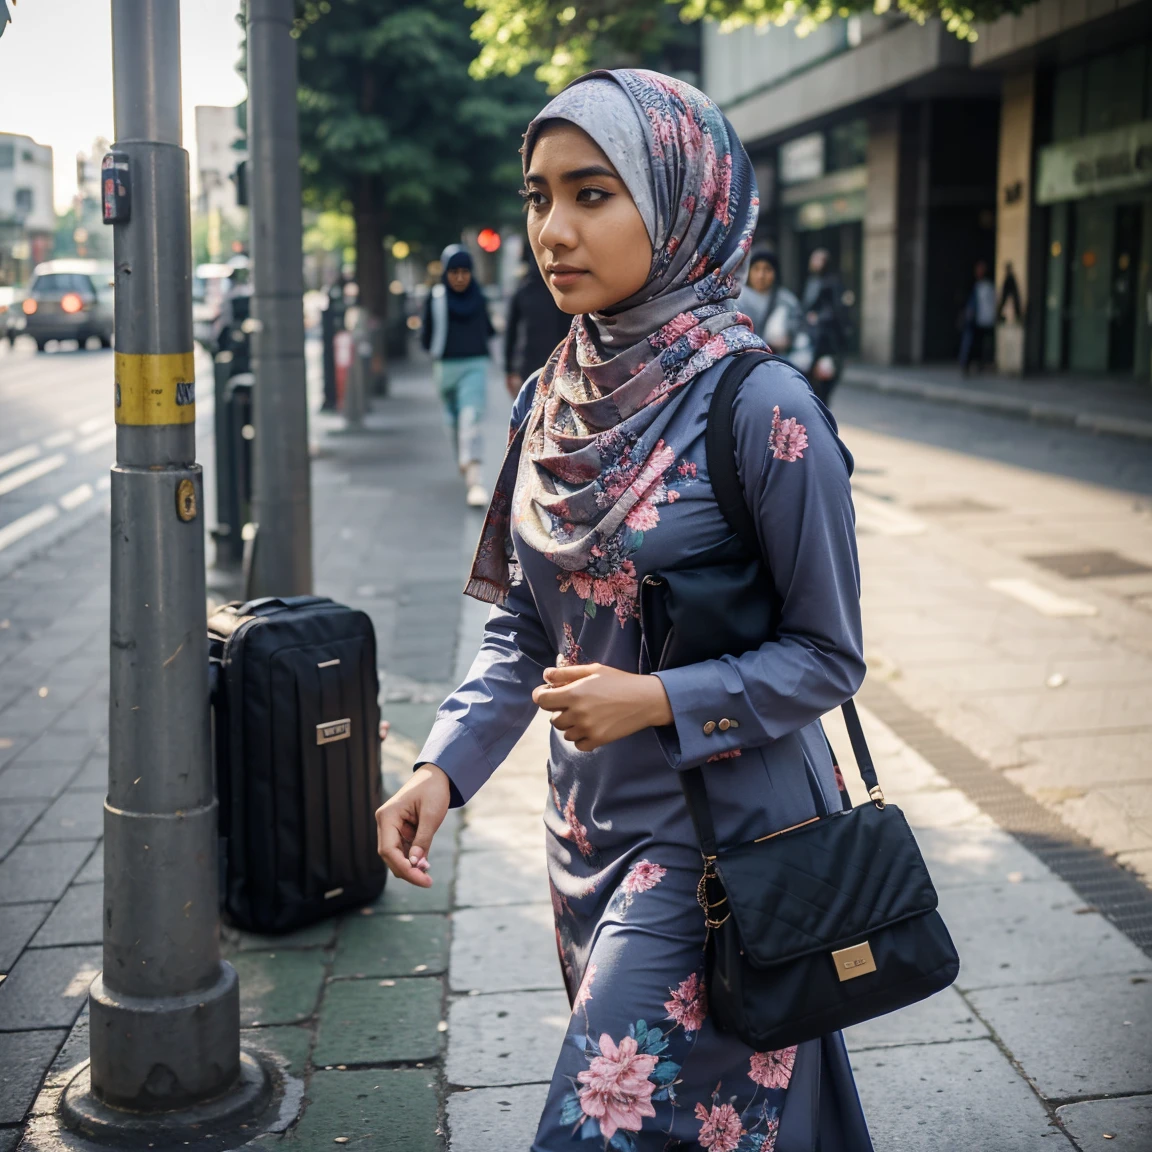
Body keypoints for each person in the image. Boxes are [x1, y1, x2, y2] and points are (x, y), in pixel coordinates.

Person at [378, 69, 873, 1151]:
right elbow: (521, 629)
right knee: (739, 1108)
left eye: (592, 193)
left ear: (682, 195)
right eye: (538, 194)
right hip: (585, 835)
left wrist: (655, 697)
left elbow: (829, 658)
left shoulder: (765, 411)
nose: (553, 229)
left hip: (719, 849)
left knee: (599, 1126)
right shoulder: (547, 398)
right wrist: (441, 767)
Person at [421, 244, 494, 506]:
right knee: (452, 420)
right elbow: (426, 334)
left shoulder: (479, 296)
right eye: (454, 272)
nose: (460, 277)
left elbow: (487, 328)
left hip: (475, 364)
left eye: (465, 271)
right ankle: (464, 463)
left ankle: (475, 480)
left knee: (470, 418)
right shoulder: (437, 297)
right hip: (445, 368)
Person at [504, 256, 572, 398]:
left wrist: (509, 368)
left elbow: (510, 332)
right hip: (558, 362)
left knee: (530, 411)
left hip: (528, 363)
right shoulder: (560, 292)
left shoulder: (522, 290)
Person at [800, 248, 848, 404]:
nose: (814, 263)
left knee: (824, 386)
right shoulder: (811, 281)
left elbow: (837, 310)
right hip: (810, 340)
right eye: (813, 259)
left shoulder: (832, 282)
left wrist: (818, 317)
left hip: (827, 343)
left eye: (819, 259)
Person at [740, 248, 800, 352]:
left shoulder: (787, 301)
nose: (761, 275)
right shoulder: (738, 299)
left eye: (767, 269)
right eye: (756, 269)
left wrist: (789, 338)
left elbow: (799, 331)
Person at [959, 259, 996, 374]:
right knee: (968, 342)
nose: (979, 271)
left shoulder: (988, 285)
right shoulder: (973, 284)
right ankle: (965, 365)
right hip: (972, 319)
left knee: (980, 343)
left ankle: (978, 364)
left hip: (983, 319)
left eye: (982, 269)